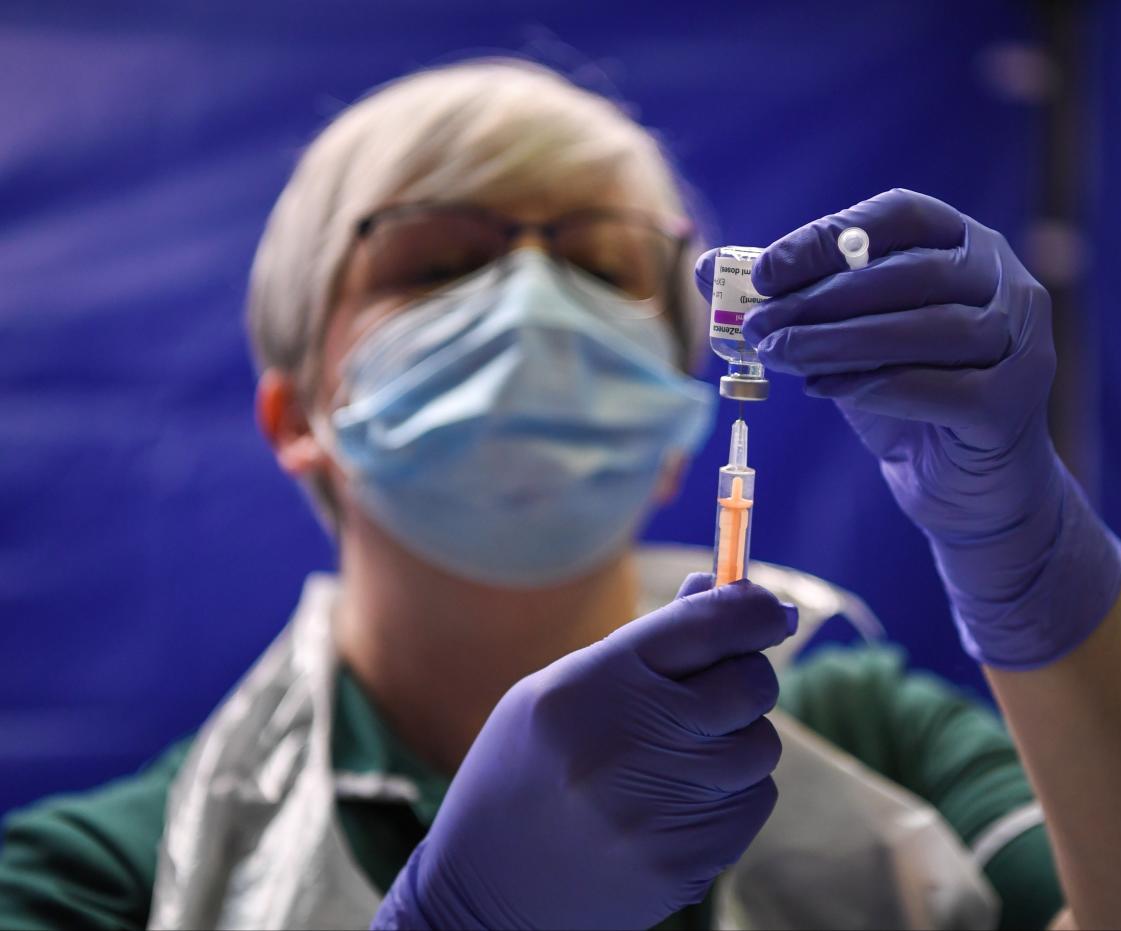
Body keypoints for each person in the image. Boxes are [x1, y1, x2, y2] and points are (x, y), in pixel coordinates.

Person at [0, 60, 1066, 930]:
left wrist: (1034, 559)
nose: (532, 308)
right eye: (441, 263)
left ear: (672, 425)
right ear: (297, 419)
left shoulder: (864, 736)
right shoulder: (121, 874)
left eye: (604, 269)